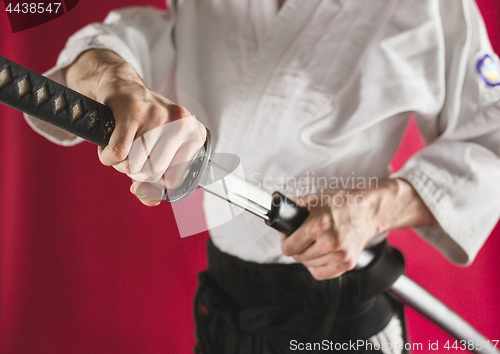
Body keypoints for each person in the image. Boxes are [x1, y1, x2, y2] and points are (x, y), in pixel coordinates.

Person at [25, 0, 500, 353]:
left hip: (340, 309)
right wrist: (117, 81)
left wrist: (374, 208)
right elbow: (134, 36)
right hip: (226, 302)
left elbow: (492, 139)